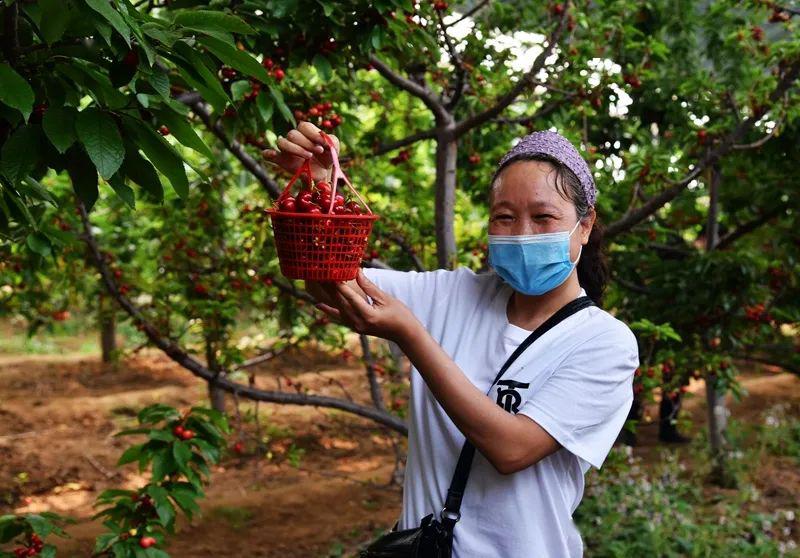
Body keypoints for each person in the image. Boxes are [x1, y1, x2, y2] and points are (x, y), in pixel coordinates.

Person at [264, 122, 640, 557]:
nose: (521, 233)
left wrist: (411, 335)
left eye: (543, 217)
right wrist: (322, 196)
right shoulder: (450, 294)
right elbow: (334, 285)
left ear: (585, 225)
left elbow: (511, 448)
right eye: (504, 216)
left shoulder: (604, 343)